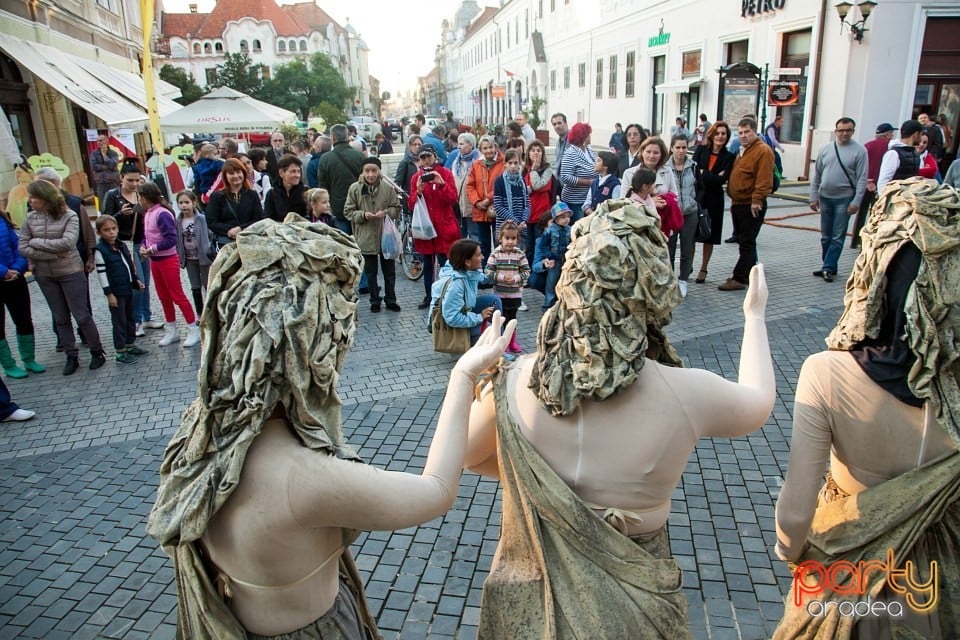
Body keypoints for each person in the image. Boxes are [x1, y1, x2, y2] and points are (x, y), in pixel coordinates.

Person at [147, 215, 515, 639]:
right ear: (313, 348)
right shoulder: (301, 477)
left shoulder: (204, 428)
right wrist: (463, 378)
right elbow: (436, 490)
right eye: (340, 336)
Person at [463, 200, 774, 639]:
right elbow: (759, 403)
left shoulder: (514, 380)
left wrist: (533, 479)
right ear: (652, 286)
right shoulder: (687, 391)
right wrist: (755, 317)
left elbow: (468, 456)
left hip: (534, 590)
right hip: (635, 602)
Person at [773, 179, 960, 639]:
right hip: (944, 582)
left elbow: (794, 518)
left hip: (849, 583)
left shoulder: (826, 374)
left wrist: (795, 552)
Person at [20, 180, 106, 374]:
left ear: (45, 198)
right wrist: (51, 253)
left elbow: (67, 244)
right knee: (60, 318)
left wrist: (36, 244)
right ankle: (71, 355)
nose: (30, 201)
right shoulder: (30, 218)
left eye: (34, 197)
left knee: (82, 316)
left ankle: (96, 351)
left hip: (70, 272)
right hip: (44, 274)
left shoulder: (69, 216)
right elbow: (23, 246)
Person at [101, 163, 162, 336]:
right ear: (121, 178)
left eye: (137, 180)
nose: (134, 184)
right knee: (137, 283)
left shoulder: (140, 194)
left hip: (142, 242)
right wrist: (121, 214)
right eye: (130, 180)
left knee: (146, 282)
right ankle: (136, 320)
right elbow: (105, 219)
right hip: (125, 243)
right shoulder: (113, 195)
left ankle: (147, 316)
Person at [138, 182, 200, 349]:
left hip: (167, 259)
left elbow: (171, 239)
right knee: (163, 297)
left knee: (177, 295)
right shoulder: (148, 213)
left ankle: (193, 328)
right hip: (155, 260)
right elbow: (147, 235)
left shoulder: (162, 213)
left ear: (145, 197)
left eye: (140, 197)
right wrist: (144, 245)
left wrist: (152, 248)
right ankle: (171, 329)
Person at [718, 118, 775, 292]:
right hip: (738, 202)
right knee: (745, 242)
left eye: (747, 132)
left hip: (750, 204)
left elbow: (764, 178)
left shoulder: (763, 151)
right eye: (740, 133)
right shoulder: (743, 150)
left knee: (747, 242)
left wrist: (757, 200)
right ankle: (750, 275)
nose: (743, 136)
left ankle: (739, 278)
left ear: (755, 132)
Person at [809, 117, 868, 283]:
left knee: (837, 236)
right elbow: (817, 174)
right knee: (825, 236)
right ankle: (829, 265)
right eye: (841, 130)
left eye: (848, 130)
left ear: (853, 131)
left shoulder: (860, 151)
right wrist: (813, 196)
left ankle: (827, 267)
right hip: (825, 197)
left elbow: (862, 178)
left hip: (845, 198)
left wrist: (856, 201)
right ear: (836, 131)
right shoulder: (825, 149)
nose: (844, 133)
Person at [344, 157, 401, 313]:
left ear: (379, 171)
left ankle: (391, 299)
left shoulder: (387, 188)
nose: (370, 174)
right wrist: (363, 215)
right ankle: (374, 300)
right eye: (367, 171)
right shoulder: (355, 189)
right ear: (362, 172)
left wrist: (386, 212)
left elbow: (396, 207)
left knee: (389, 271)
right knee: (370, 273)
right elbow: (348, 212)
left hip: (386, 236)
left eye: (374, 171)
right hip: (366, 236)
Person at [410, 147, 461, 310]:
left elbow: (453, 198)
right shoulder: (416, 177)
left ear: (435, 156)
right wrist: (417, 192)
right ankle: (429, 295)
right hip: (426, 229)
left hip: (444, 227)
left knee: (446, 263)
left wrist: (441, 184)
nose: (426, 160)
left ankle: (448, 294)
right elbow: (411, 205)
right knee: (428, 264)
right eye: (422, 157)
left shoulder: (444, 173)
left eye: (428, 156)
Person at [94, 215, 148, 364]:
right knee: (119, 322)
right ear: (99, 232)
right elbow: (102, 274)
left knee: (130, 318)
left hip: (127, 287)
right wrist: (109, 294)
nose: (111, 232)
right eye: (106, 230)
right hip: (116, 291)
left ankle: (130, 344)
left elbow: (129, 265)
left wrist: (135, 279)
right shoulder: (100, 250)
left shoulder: (121, 245)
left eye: (113, 229)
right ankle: (120, 351)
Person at [431, 238, 502, 345]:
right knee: (490, 329)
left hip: (464, 310)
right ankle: (493, 350)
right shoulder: (455, 284)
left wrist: (498, 272)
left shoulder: (468, 271)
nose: (482, 257)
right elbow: (452, 318)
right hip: (447, 327)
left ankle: (499, 345)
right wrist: (479, 317)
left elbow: (482, 278)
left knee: (493, 300)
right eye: (478, 255)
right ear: (467, 262)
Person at [0, 208, 43, 378]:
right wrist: (3, 272)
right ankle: (8, 364)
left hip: (15, 278)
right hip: (4, 275)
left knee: (24, 319)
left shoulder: (3, 218)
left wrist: (18, 267)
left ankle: (29, 359)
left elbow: (18, 246)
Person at [691, 121, 735, 283]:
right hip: (698, 198)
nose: (720, 136)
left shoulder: (729, 157)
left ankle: (704, 268)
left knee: (709, 235)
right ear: (711, 135)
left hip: (715, 200)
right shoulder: (701, 150)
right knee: (693, 234)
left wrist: (705, 173)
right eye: (717, 133)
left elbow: (720, 180)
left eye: (724, 134)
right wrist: (711, 175)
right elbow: (694, 173)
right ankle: (688, 265)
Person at [484, 221, 528, 354]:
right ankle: (502, 342)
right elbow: (488, 271)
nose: (510, 242)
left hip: (515, 294)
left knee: (512, 318)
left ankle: (512, 341)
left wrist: (515, 279)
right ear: (500, 238)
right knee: (501, 318)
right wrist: (502, 277)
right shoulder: (495, 254)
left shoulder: (520, 254)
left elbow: (526, 271)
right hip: (500, 294)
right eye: (507, 238)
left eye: (513, 238)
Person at [853, 122, 897, 249]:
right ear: (887, 134)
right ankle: (869, 242)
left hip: (866, 183)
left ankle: (855, 240)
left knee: (861, 212)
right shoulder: (890, 148)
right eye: (891, 133)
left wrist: (865, 180)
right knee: (876, 215)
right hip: (881, 185)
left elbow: (858, 166)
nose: (892, 136)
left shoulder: (867, 146)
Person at [466, 136, 505, 273]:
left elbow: (503, 184)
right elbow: (470, 186)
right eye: (485, 148)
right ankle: (486, 273)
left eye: (490, 147)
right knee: (484, 245)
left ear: (495, 147)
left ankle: (500, 272)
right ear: (480, 150)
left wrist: (488, 199)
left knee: (500, 242)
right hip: (480, 210)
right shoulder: (476, 164)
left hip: (498, 209)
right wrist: (477, 202)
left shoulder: (503, 163)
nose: (488, 151)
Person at [205, 159, 265, 248]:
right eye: (231, 173)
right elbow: (212, 221)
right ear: (225, 176)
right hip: (226, 243)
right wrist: (229, 230)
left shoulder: (252, 194)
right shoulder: (217, 196)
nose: (236, 176)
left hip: (250, 241)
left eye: (238, 172)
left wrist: (240, 228)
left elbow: (259, 218)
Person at [668, 135, 699, 298]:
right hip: (672, 214)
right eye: (677, 147)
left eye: (684, 147)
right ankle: (670, 280)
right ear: (672, 148)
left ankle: (683, 280)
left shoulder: (693, 166)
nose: (681, 151)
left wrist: (695, 203)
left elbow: (700, 187)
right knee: (670, 248)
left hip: (689, 213)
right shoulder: (665, 168)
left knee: (687, 248)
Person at [174, 191, 211, 318]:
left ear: (194, 203)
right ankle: (200, 313)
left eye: (187, 202)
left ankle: (211, 311)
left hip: (203, 258)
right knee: (195, 287)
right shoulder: (178, 221)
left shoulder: (201, 218)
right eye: (181, 203)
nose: (184, 205)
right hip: (189, 259)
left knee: (208, 285)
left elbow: (209, 234)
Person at [532, 201, 572, 310]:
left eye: (568, 216)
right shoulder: (550, 231)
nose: (566, 219)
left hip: (567, 260)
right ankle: (548, 305)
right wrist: (549, 257)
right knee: (551, 282)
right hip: (554, 261)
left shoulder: (570, 229)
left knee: (566, 281)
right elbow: (543, 246)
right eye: (563, 217)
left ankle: (565, 304)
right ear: (556, 219)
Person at [523, 141, 555, 272]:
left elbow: (538, 185)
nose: (536, 152)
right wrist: (529, 189)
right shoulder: (524, 169)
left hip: (541, 214)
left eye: (539, 150)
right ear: (528, 153)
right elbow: (521, 189)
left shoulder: (547, 170)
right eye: (533, 150)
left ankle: (538, 271)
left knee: (540, 244)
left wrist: (535, 170)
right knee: (528, 246)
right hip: (528, 213)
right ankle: (527, 271)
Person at [559, 122, 598, 222]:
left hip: (588, 199)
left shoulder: (590, 151)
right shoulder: (570, 153)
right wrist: (588, 182)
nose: (590, 136)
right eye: (588, 134)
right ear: (583, 137)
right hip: (574, 201)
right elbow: (565, 177)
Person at [446, 133, 481, 238]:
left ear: (471, 145)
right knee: (460, 235)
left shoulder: (478, 161)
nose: (458, 147)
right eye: (458, 144)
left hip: (473, 205)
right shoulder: (456, 161)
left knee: (475, 234)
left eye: (462, 144)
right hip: (459, 205)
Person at [876, 120, 923, 192]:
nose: (921, 138)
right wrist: (884, 201)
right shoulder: (893, 154)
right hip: (895, 199)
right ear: (916, 134)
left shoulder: (915, 153)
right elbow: (883, 181)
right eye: (921, 134)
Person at [492, 149, 529, 239]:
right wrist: (516, 222)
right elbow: (498, 206)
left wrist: (523, 220)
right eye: (510, 163)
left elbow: (527, 204)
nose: (513, 166)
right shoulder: (499, 181)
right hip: (505, 227)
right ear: (505, 164)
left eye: (516, 163)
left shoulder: (522, 181)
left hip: (521, 226)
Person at [264, 155, 307, 222]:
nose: (297, 175)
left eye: (298, 171)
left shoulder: (305, 192)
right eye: (293, 171)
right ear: (281, 173)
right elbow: (268, 219)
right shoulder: (272, 194)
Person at [582, 150, 621, 217]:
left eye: (598, 160)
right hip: (591, 218)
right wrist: (588, 210)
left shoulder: (615, 184)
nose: (595, 162)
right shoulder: (595, 181)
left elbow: (615, 207)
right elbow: (588, 200)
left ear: (605, 166)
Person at [90, 132, 121, 205]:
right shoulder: (94, 154)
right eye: (97, 141)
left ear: (106, 141)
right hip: (101, 182)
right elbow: (94, 166)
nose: (99, 143)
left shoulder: (113, 153)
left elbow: (112, 164)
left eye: (101, 140)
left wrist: (104, 155)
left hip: (112, 181)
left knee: (115, 201)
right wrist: (106, 166)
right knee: (103, 203)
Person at [394, 135, 423, 211]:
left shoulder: (425, 161)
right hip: (410, 199)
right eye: (414, 144)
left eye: (419, 144)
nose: (417, 147)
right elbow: (397, 182)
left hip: (424, 200)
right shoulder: (405, 163)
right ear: (410, 146)